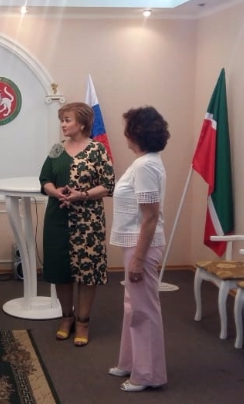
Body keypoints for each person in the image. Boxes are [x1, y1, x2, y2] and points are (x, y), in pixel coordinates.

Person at [39, 102, 115, 347]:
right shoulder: (56, 149)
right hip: (58, 218)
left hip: (88, 221)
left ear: (82, 124)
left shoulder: (97, 149)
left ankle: (83, 322)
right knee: (61, 272)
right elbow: (44, 179)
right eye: (62, 120)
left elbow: (108, 185)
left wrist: (81, 195)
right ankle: (66, 318)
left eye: (67, 120)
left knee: (87, 272)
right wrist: (55, 192)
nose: (63, 124)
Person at [107, 105, 170, 392]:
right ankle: (131, 362)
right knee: (133, 306)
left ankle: (147, 374)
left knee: (144, 310)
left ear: (136, 133)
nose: (124, 134)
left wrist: (138, 260)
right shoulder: (144, 162)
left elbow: (151, 216)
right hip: (135, 243)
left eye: (127, 129)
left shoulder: (145, 166)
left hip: (141, 245)